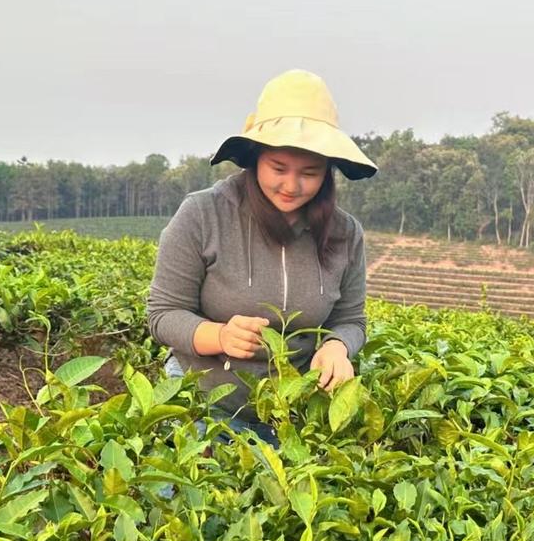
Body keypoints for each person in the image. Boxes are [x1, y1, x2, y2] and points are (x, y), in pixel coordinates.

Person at [147, 69, 378, 439]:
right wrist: (219, 335)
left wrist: (338, 347)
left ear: (327, 174)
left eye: (310, 172)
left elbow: (351, 319)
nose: (291, 186)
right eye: (278, 168)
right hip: (203, 402)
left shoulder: (345, 234)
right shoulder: (203, 214)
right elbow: (163, 315)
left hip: (294, 411)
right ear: (255, 158)